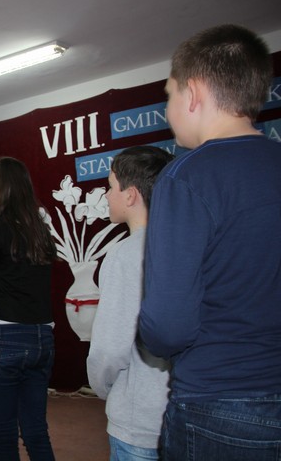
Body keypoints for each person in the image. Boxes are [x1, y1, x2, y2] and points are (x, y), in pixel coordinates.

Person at [138, 24, 281, 460]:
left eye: (169, 95)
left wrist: (151, 339)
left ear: (194, 93)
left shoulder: (186, 176)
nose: (167, 110)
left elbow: (168, 326)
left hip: (219, 399)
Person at [86, 146, 174, 460]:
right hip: (186, 411)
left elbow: (110, 349)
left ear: (131, 195)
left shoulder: (124, 255)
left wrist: (106, 390)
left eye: (111, 187)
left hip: (141, 418)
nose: (107, 195)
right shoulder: (189, 244)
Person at [0, 157, 57, 460]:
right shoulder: (40, 231)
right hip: (43, 338)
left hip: (5, 340)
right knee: (36, 431)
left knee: (4, 434)